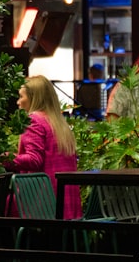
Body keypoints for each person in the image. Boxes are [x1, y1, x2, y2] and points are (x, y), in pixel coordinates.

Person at [5, 75, 82, 219]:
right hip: (67, 206)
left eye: (21, 97)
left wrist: (3, 157)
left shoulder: (34, 120)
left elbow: (34, 160)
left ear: (34, 98)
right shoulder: (59, 123)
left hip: (42, 204)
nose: (18, 102)